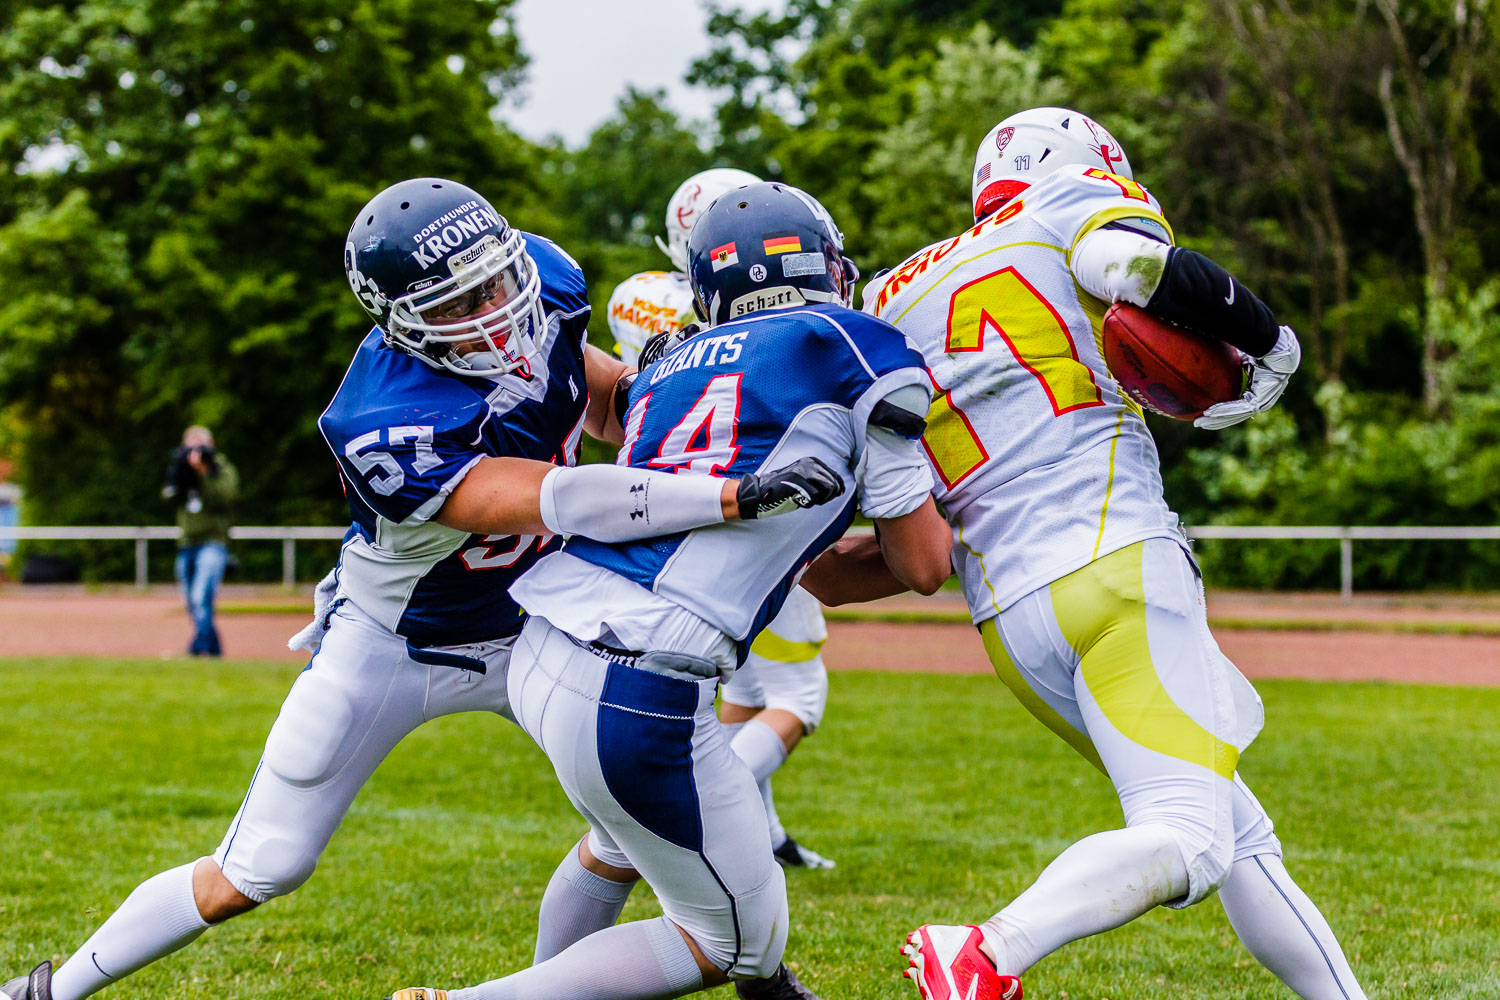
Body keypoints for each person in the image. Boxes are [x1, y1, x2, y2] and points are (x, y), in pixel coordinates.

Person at [0, 178, 845, 1000]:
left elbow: (588, 388)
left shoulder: (546, 286)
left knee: (637, 810)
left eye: (497, 281)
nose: (494, 312)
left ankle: (738, 971)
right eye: (455, 304)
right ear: (401, 325)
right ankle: (51, 989)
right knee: (257, 868)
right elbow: (551, 496)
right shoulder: (382, 418)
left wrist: (644, 395)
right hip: (395, 644)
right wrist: (727, 492)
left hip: (533, 623)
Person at [805, 106, 1365, 1000]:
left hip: (1008, 617)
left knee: (1235, 830)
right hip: (1113, 564)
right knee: (1188, 834)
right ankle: (988, 949)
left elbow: (877, 506)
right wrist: (1269, 345)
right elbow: (1135, 268)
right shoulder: (1071, 203)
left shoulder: (883, 297)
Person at [384, 181, 953, 1000]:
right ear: (822, 264)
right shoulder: (853, 344)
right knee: (729, 943)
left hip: (550, 647)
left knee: (622, 849)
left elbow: (821, 574)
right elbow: (925, 564)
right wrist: (983, 538)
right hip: (637, 678)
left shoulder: (669, 365)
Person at [607, 167, 838, 870]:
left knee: (738, 694)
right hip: (761, 513)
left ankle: (764, 837)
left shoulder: (639, 301)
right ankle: (680, 824)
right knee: (800, 696)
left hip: (672, 522)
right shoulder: (775, 313)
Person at [162, 426, 238, 657]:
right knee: (192, 602)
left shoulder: (222, 469)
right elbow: (169, 497)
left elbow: (226, 498)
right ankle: (212, 648)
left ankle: (199, 647)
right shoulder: (181, 469)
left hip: (213, 542)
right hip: (187, 543)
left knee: (200, 597)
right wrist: (184, 474)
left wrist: (205, 473)